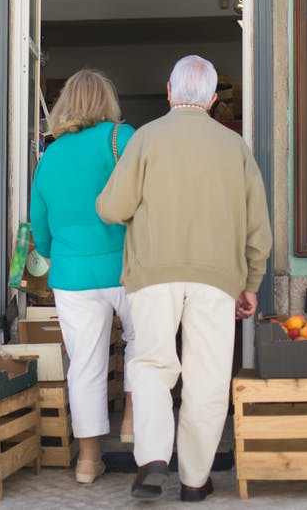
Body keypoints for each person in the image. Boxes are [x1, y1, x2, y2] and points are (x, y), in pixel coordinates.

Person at [97, 55, 271, 502]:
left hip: (154, 274)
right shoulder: (236, 148)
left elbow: (112, 208)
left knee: (154, 365)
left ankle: (154, 458)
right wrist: (251, 281)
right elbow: (258, 227)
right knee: (208, 377)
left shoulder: (147, 138)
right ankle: (195, 480)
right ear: (213, 99)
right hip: (218, 280)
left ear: (169, 92)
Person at [30, 68, 136, 485]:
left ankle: (89, 460)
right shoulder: (122, 138)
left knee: (85, 364)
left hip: (72, 274)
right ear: (106, 102)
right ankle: (132, 420)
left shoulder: (50, 155)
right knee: (142, 344)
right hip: (128, 265)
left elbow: (40, 222)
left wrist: (57, 254)